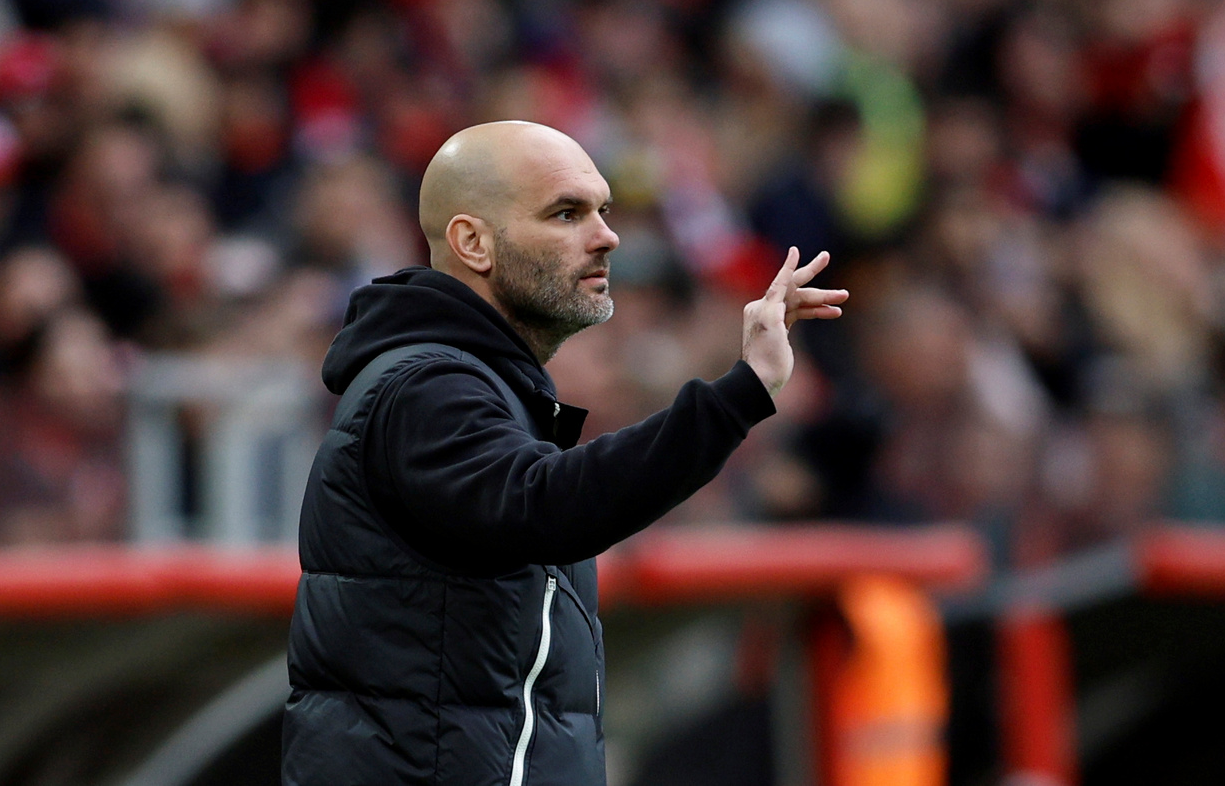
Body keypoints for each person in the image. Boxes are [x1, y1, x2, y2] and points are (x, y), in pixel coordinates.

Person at [281, 120, 847, 785]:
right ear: (473, 242)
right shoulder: (425, 388)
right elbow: (547, 505)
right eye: (567, 214)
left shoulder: (476, 383)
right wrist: (740, 394)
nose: (607, 236)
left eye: (603, 211)